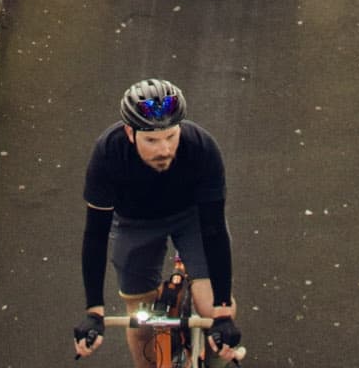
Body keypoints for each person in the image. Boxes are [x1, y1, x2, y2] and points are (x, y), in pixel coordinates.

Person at [73, 79, 243, 365]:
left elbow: (213, 230)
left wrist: (223, 312)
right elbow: (95, 235)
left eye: (171, 136)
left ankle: (216, 361)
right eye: (151, 140)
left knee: (211, 310)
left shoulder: (203, 149)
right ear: (130, 132)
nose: (164, 149)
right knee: (141, 326)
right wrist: (94, 311)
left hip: (193, 218)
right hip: (133, 222)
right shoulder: (108, 154)